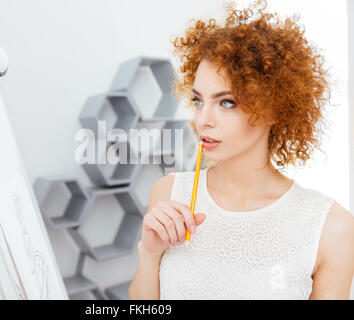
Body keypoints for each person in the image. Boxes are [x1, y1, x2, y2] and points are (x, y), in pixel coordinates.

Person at [129, 0, 353, 299]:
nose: (203, 120)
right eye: (198, 100)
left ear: (274, 109)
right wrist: (149, 252)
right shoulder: (168, 194)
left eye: (226, 102)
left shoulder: (332, 226)